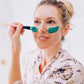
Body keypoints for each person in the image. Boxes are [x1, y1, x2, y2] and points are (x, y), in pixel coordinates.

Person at [8, 0, 84, 84]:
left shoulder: (71, 69)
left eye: (50, 22)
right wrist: (15, 50)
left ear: (65, 30)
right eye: (37, 21)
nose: (41, 29)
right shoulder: (30, 59)